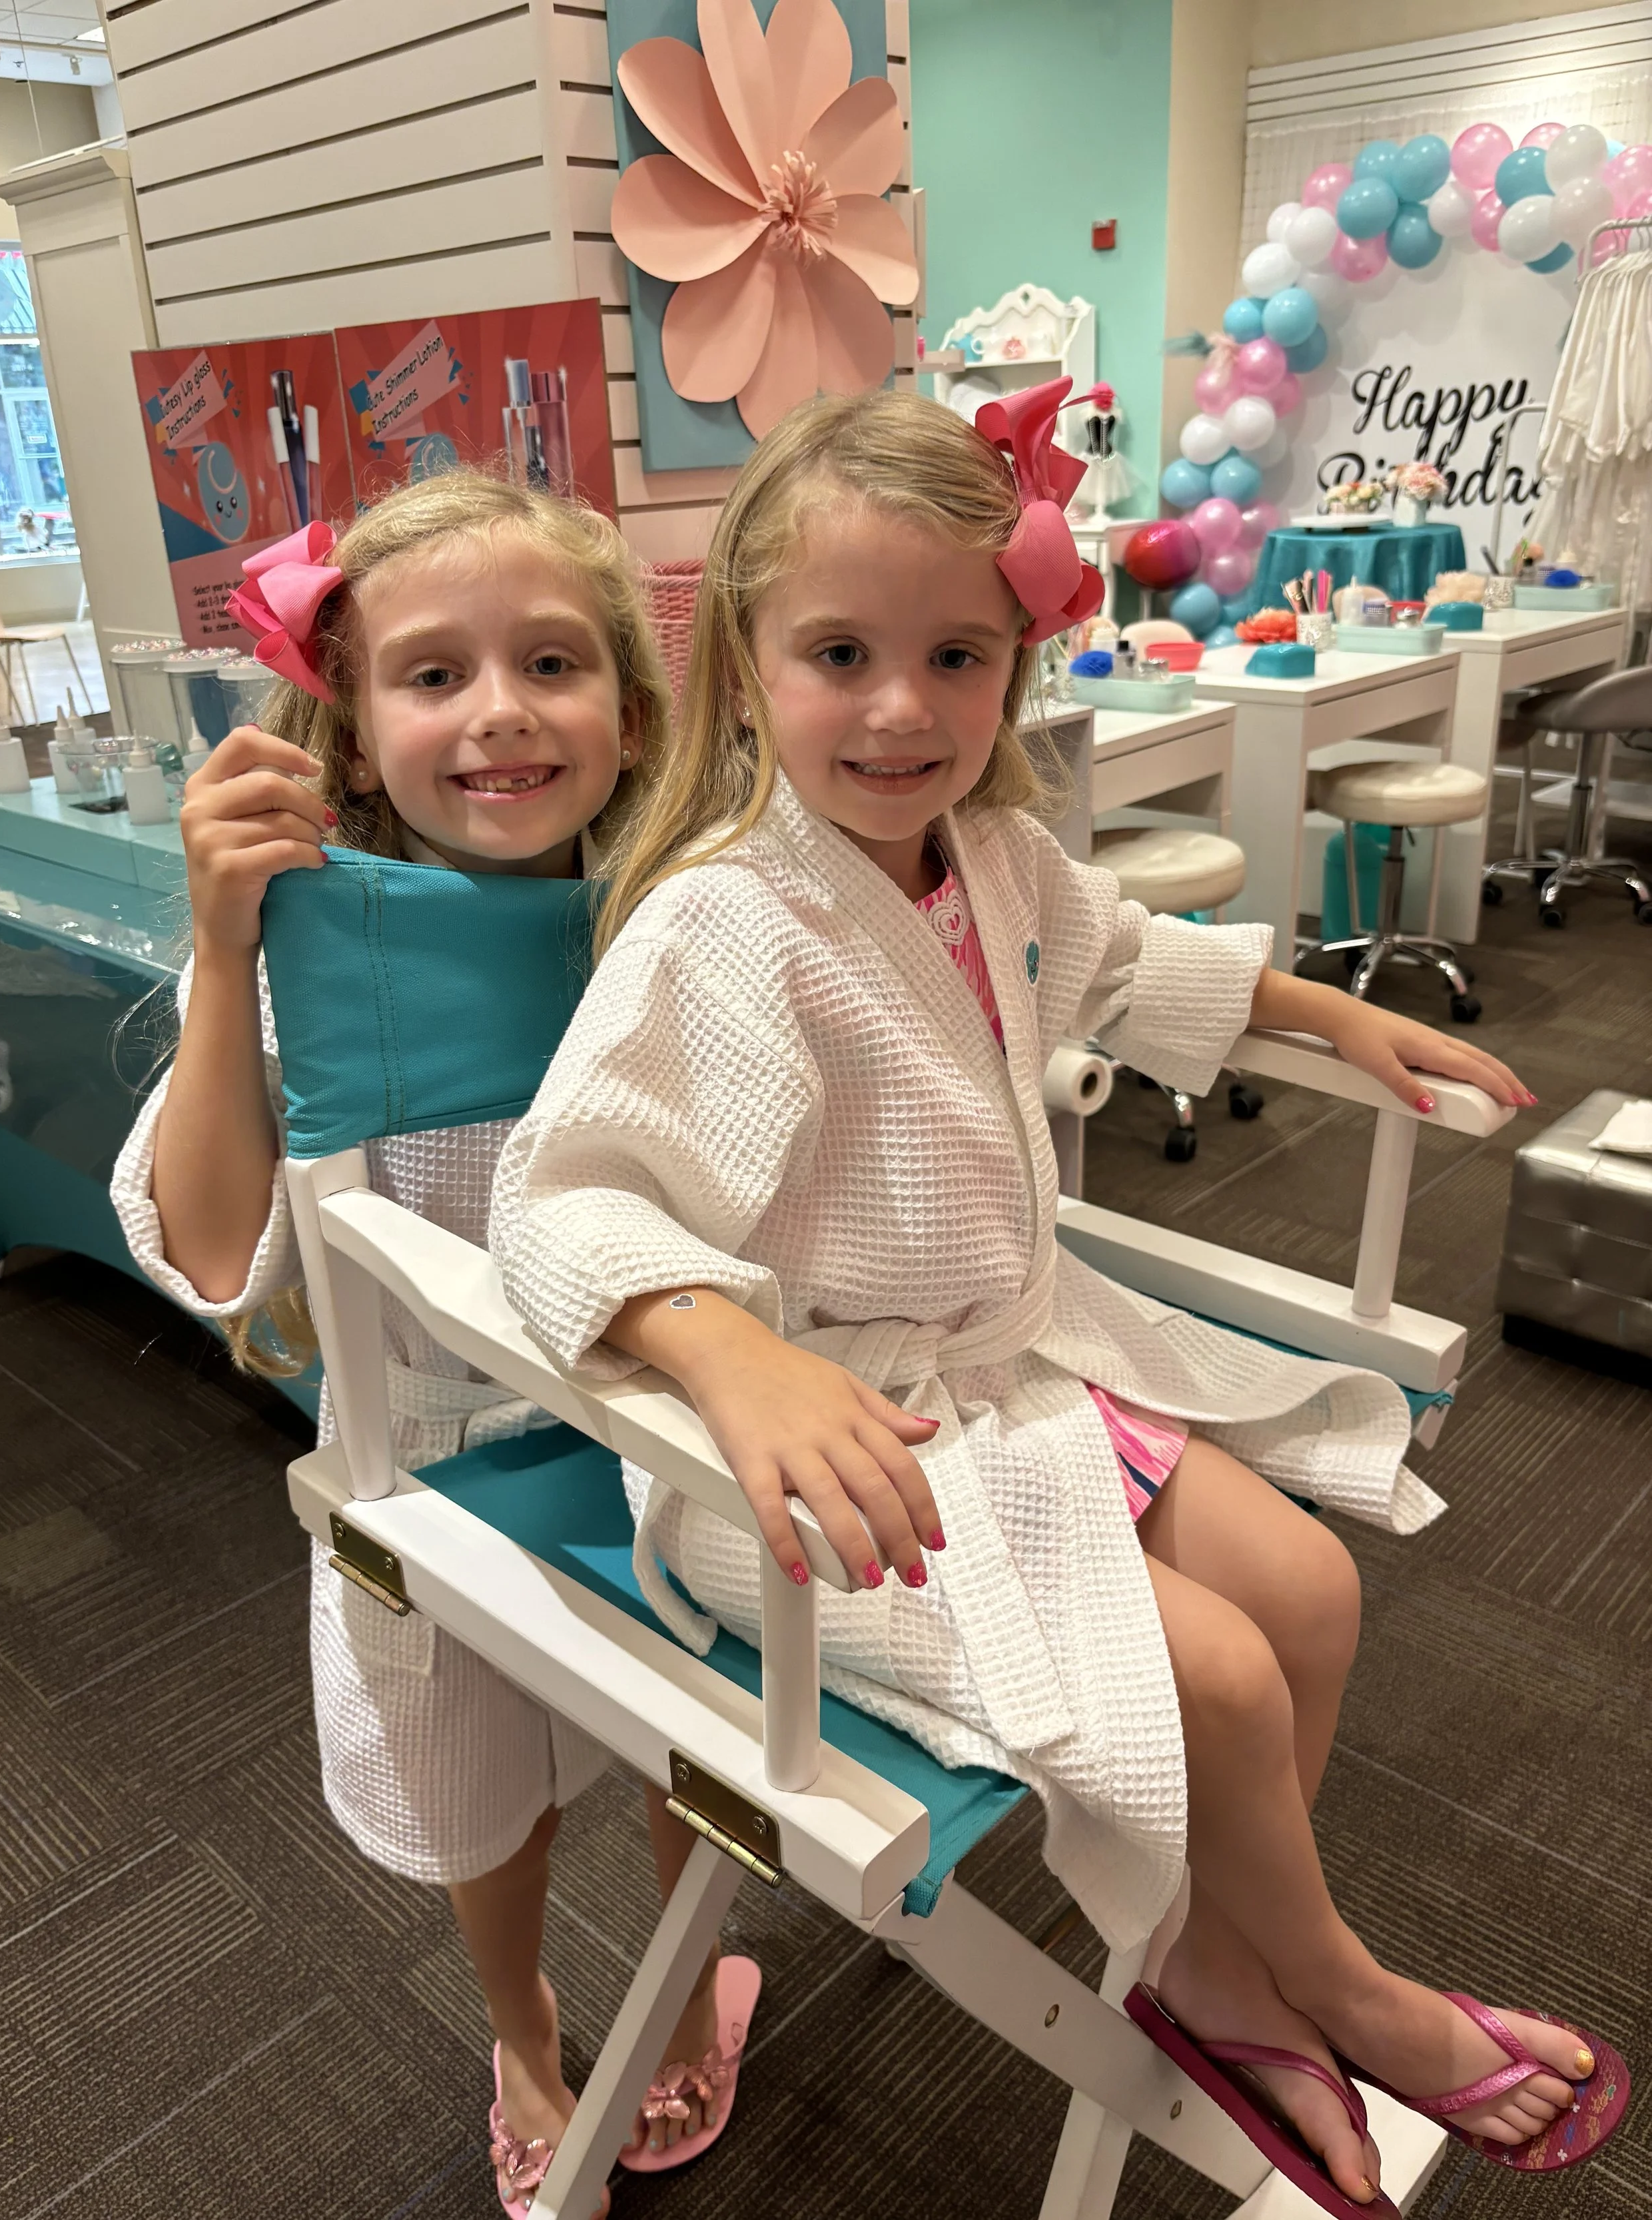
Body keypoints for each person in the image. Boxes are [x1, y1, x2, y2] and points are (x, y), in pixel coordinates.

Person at [489, 386, 1625, 2212]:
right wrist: (728, 1358)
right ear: (748, 665)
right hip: (820, 1459)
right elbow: (566, 1196)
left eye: (956, 656)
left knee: (1311, 1593)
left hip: (1005, 1384)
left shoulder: (995, 860)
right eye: (841, 654)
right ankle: (1337, 1987)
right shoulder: (721, 922)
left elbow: (1125, 961)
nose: (901, 709)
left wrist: (1328, 1013)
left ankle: (1218, 1958)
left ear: (1014, 664)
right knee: (1224, 1679)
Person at [111, 472, 755, 2217]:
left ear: (631, 708)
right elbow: (219, 1248)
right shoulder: (317, 940)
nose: (499, 713)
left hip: (662, 1431)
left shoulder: (676, 912)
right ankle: (521, 2029)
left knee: (700, 1742)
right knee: (478, 1792)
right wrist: (224, 946)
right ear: (350, 718)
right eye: (432, 674)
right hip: (431, 1467)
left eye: (551, 662)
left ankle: (688, 1977)